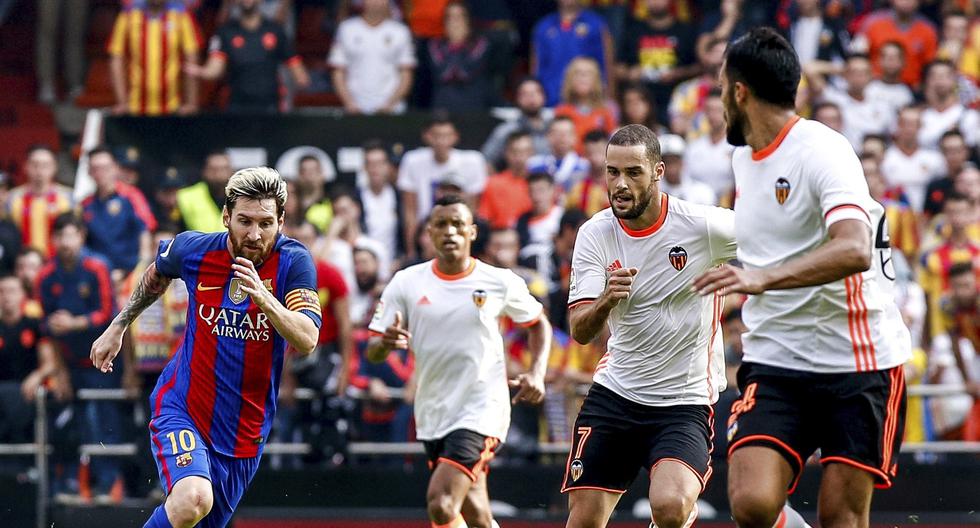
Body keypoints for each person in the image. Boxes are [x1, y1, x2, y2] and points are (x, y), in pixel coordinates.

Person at [692, 28, 911, 528]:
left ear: (739, 91)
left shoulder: (822, 150)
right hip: (778, 357)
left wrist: (762, 278)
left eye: (722, 87)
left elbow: (854, 248)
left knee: (842, 518)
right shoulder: (743, 159)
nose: (720, 99)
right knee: (750, 503)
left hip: (859, 362)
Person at [89, 167, 322, 528]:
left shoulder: (293, 262)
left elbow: (307, 339)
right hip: (183, 405)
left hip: (244, 431)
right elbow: (156, 275)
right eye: (244, 221)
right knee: (192, 499)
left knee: (195, 519)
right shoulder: (194, 249)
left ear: (282, 221)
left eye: (265, 223)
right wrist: (119, 325)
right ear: (226, 216)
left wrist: (265, 298)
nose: (254, 234)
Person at [560, 123, 735, 528]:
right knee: (583, 522)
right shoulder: (594, 233)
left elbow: (776, 238)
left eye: (633, 172)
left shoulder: (704, 227)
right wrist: (606, 298)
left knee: (670, 507)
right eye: (612, 172)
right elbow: (580, 330)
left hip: (683, 401)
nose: (620, 184)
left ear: (658, 171)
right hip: (616, 394)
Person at [367, 194, 552, 528]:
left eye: (457, 224)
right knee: (476, 514)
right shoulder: (407, 282)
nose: (449, 231)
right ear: (429, 233)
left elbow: (538, 323)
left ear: (472, 232)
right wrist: (385, 344)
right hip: (434, 411)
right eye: (441, 224)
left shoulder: (499, 281)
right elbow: (374, 349)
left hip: (482, 408)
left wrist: (536, 373)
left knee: (441, 502)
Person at [38, 213, 121, 502]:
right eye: (59, 236)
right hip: (68, 363)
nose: (65, 243)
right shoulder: (46, 276)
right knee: (70, 425)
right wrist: (58, 371)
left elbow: (109, 314)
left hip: (102, 362)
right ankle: (70, 484)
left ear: (81, 237)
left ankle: (107, 485)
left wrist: (76, 323)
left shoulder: (97, 267)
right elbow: (45, 328)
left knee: (103, 422)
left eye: (70, 235)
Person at [185, 0, 310, 113]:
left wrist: (301, 78)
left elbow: (295, 65)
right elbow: (215, 69)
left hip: (270, 106)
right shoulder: (225, 32)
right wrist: (201, 72)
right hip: (237, 105)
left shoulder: (276, 30)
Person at [398, 115, 487, 260]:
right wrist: (411, 250)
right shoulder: (412, 161)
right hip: (425, 233)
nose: (441, 141)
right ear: (426, 136)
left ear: (455, 137)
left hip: (459, 228)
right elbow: (410, 212)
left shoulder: (473, 161)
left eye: (446, 135)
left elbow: (472, 210)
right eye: (436, 136)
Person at [108, 0, 201, 115]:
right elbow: (116, 59)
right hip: (134, 108)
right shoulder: (127, 15)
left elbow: (191, 59)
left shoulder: (182, 15)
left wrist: (191, 103)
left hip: (173, 108)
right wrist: (122, 102)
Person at [81, 147, 157, 280]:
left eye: (105, 168)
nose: (100, 173)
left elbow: (145, 231)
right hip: (97, 275)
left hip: (130, 273)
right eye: (95, 169)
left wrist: (141, 270)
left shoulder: (132, 196)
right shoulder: (85, 204)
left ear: (115, 168)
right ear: (89, 172)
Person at [329, 0, 416, 115]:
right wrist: (349, 103)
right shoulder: (346, 29)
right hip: (354, 109)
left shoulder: (401, 31)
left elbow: (406, 73)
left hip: (392, 110)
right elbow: (338, 71)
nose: (376, 2)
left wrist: (389, 105)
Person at [531, 0, 613, 107]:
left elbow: (608, 65)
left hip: (587, 104)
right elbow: (535, 67)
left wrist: (610, 98)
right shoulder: (543, 26)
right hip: (550, 102)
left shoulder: (596, 24)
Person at [426, 2, 494, 111]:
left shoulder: (481, 43)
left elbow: (466, 72)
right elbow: (442, 74)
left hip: (473, 105)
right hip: (443, 106)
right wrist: (454, 44)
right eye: (450, 17)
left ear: (468, 20)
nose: (454, 22)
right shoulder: (435, 44)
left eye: (458, 17)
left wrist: (457, 44)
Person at [6, 145, 73, 257]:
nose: (39, 170)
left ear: (55, 167)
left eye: (45, 165)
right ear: (25, 166)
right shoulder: (12, 198)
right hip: (23, 266)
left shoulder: (68, 198)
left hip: (58, 267)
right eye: (35, 165)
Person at [854, 0, 938, 88]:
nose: (907, 2)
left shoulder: (928, 29)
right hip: (873, 86)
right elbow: (857, 55)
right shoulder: (872, 23)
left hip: (913, 89)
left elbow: (929, 65)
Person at [481, 77, 552, 168]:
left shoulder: (554, 128)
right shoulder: (506, 131)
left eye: (535, 93)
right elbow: (486, 161)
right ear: (517, 99)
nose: (531, 98)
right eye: (525, 94)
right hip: (516, 179)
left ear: (544, 97)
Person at [681, 89, 735, 199]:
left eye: (717, 110)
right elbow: (685, 180)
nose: (712, 115)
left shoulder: (736, 147)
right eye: (709, 110)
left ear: (727, 111)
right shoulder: (693, 147)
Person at [554, 57, 618, 151]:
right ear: (569, 80)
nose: (582, 78)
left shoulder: (606, 111)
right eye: (577, 74)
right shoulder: (561, 111)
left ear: (596, 80)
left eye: (587, 74)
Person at [479, 131, 534, 229]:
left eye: (525, 152)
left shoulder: (538, 184)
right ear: (507, 153)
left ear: (532, 153)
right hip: (500, 236)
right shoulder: (493, 183)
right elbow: (485, 219)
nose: (520, 157)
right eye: (515, 152)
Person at [177, 151, 234, 233]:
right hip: (197, 244)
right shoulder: (186, 196)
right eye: (213, 169)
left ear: (232, 171)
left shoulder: (242, 196)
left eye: (223, 169)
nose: (218, 174)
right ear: (204, 171)